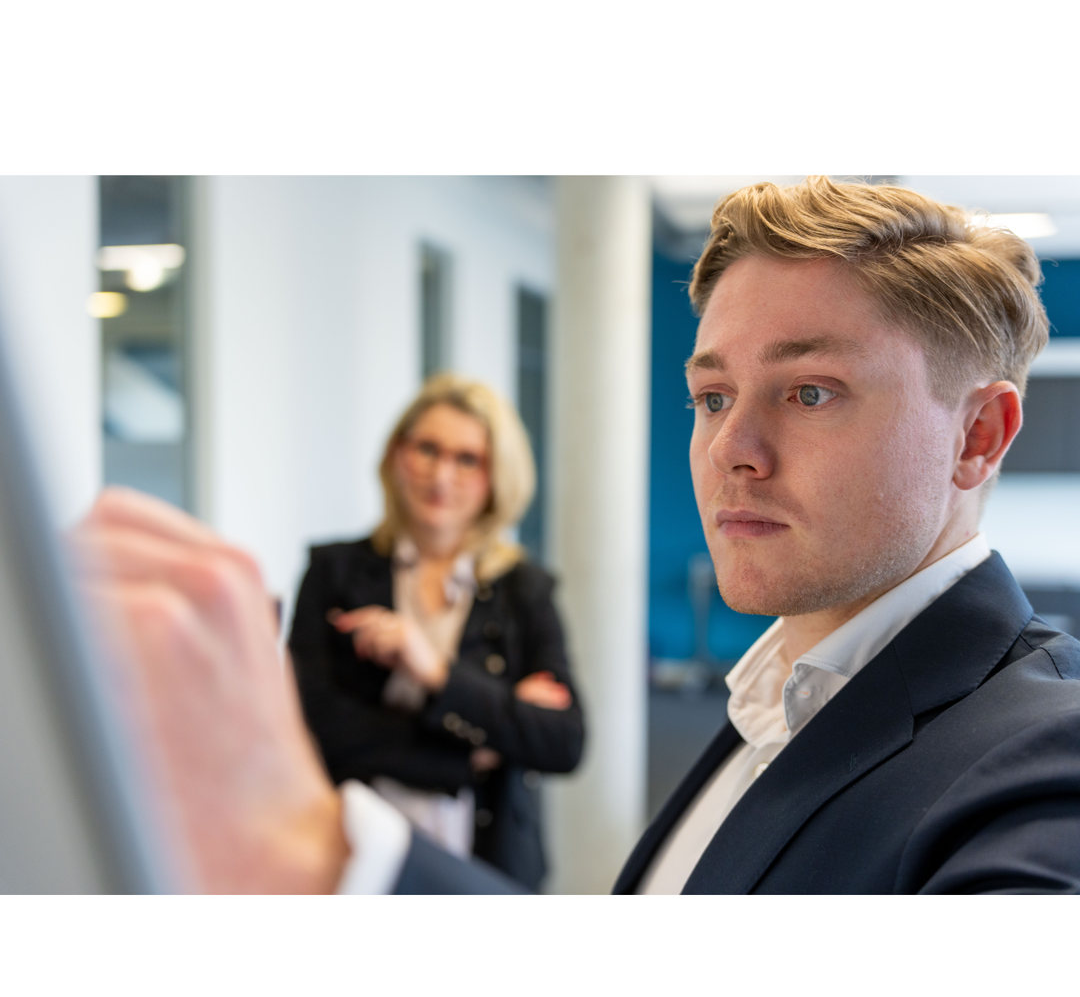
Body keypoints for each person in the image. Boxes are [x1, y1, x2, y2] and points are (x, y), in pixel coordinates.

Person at [71, 176, 1080, 894]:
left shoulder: (1046, 765)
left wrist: (332, 857)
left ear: (977, 435)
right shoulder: (781, 695)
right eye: (712, 394)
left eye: (810, 392)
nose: (735, 448)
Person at [287, 374, 583, 891]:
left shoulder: (523, 590)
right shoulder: (333, 573)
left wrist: (434, 670)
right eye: (428, 449)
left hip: (487, 864)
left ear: (496, 477)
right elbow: (316, 727)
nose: (442, 475)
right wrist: (477, 748)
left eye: (467, 459)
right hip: (352, 859)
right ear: (398, 455)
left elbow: (563, 741)